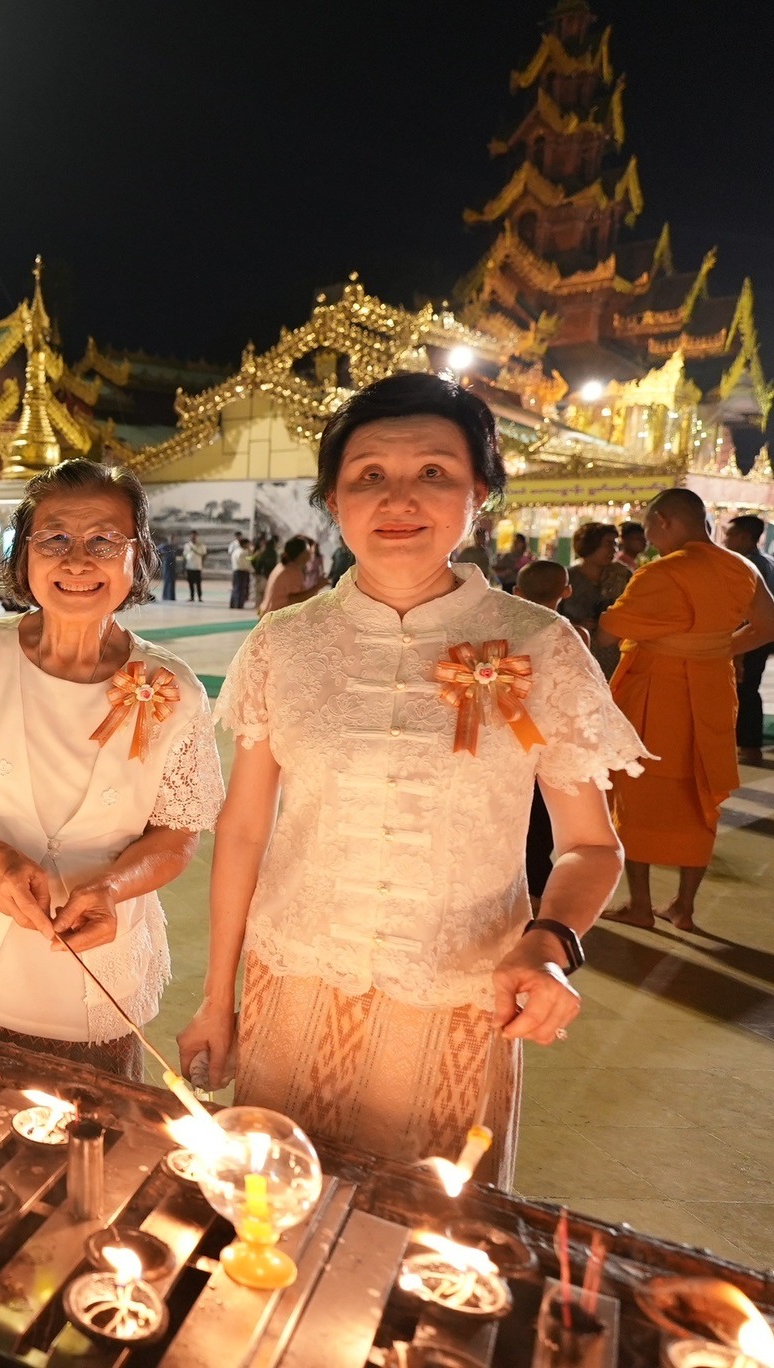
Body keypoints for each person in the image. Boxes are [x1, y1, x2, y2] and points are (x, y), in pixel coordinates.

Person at [177, 373, 638, 1184]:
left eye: (433, 472)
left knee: (429, 1246)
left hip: (461, 998)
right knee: (273, 1212)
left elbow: (589, 848)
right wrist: (219, 1000)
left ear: (479, 495)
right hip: (295, 985)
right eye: (368, 476)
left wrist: (553, 942)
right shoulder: (285, 643)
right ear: (334, 499)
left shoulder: (541, 644)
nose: (399, 498)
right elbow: (245, 831)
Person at [0, 460, 221, 1075]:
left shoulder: (172, 689)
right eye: (55, 539)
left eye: (103, 540)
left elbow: (178, 836)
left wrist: (112, 888)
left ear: (137, 557)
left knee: (87, 1147)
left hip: (97, 966)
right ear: (25, 556)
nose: (77, 561)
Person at [600, 489, 774, 931]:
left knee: (638, 791)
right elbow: (768, 625)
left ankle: (641, 905)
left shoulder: (663, 572)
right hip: (711, 688)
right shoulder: (742, 567)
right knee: (701, 789)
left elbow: (613, 628)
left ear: (664, 521)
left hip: (657, 692)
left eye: (650, 526)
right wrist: (716, 648)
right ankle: (684, 906)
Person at [515, 560, 577, 908]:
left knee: (521, 820)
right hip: (555, 743)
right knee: (545, 819)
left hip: (514, 740)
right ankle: (540, 890)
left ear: (516, 594)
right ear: (566, 592)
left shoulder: (503, 633)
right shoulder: (574, 635)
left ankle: (530, 887)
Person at [725, 514, 773, 766]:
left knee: (744, 689)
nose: (725, 540)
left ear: (744, 537)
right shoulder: (766, 561)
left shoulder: (747, 566)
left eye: (729, 535)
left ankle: (749, 745)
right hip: (760, 636)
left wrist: (738, 652)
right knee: (748, 688)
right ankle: (748, 744)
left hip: (751, 636)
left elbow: (743, 611)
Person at [562, 522, 626, 678]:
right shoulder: (569, 578)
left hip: (614, 652)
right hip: (578, 652)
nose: (614, 550)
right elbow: (553, 612)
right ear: (591, 545)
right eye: (608, 544)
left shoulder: (621, 574)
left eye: (616, 544)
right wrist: (576, 624)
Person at [255, 535, 320, 616]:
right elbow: (295, 599)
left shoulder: (283, 567)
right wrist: (318, 587)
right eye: (309, 552)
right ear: (302, 554)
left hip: (269, 615)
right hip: (277, 619)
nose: (311, 555)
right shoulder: (292, 572)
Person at [228, 535, 254, 610]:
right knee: (241, 588)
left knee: (235, 588)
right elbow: (248, 560)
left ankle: (233, 604)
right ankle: (239, 604)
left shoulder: (236, 551)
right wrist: (252, 554)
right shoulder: (244, 553)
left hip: (236, 571)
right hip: (242, 571)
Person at [182, 532, 206, 602]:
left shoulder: (201, 545)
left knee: (198, 583)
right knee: (191, 583)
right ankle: (192, 597)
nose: (193, 538)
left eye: (195, 536)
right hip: (189, 567)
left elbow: (204, 555)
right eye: (192, 536)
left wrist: (202, 564)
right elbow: (184, 556)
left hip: (197, 567)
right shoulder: (187, 545)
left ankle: (199, 597)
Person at [156, 532, 179, 600]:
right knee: (167, 580)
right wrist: (162, 555)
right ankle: (166, 596)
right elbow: (157, 549)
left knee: (172, 580)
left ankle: (171, 596)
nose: (173, 540)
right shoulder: (165, 546)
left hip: (173, 565)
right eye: (172, 538)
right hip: (167, 564)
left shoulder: (174, 547)